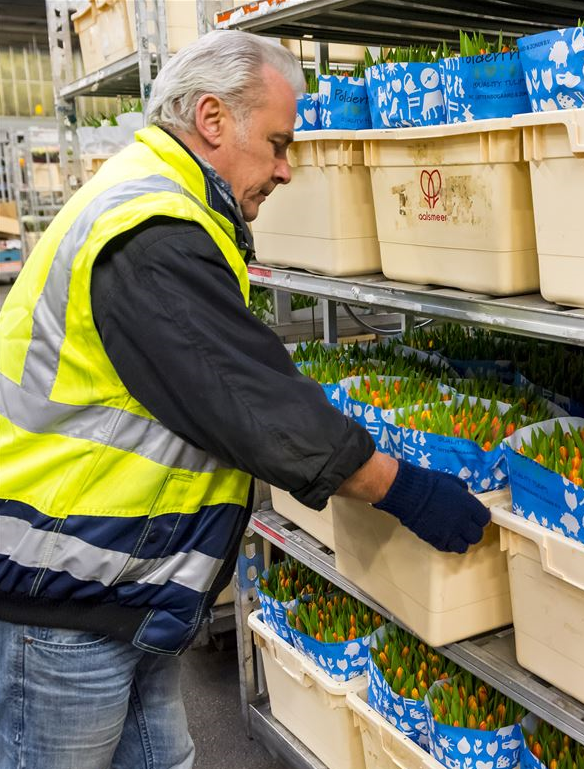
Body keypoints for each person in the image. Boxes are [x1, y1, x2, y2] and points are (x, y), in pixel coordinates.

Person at [0, 30, 490, 769]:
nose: (287, 170)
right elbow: (250, 402)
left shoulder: (165, 203)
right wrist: (408, 492)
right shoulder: (150, 228)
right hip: (63, 603)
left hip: (125, 593)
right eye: (279, 143)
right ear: (213, 120)